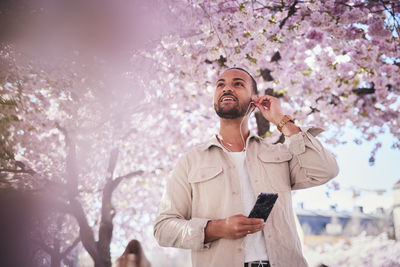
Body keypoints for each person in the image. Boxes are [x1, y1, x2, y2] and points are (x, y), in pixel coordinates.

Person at [154, 67, 339, 267]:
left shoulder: (278, 154)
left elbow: (325, 170)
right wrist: (217, 228)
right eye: (221, 84)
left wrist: (281, 121)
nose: (227, 88)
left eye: (238, 84)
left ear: (255, 100)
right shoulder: (190, 161)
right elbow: (163, 228)